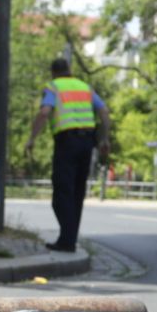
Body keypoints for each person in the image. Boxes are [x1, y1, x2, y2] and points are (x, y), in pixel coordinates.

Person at [23, 56, 110, 252]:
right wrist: (104, 139)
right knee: (77, 193)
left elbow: (45, 112)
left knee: (62, 193)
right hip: (87, 143)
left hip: (66, 142)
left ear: (53, 72)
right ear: (69, 69)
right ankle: (69, 239)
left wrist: (31, 139)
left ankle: (67, 240)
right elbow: (104, 111)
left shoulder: (53, 87)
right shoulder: (84, 87)